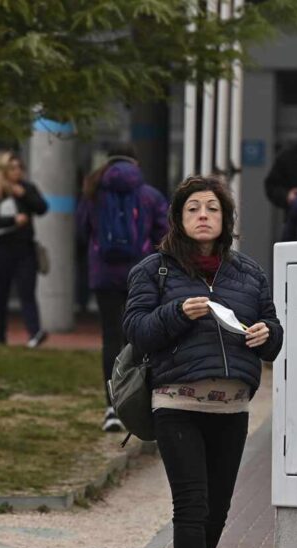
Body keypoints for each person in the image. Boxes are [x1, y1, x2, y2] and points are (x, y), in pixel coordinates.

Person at [123, 176, 283, 548]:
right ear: (178, 218)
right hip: (175, 402)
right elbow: (136, 331)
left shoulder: (248, 273)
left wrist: (266, 335)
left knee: (217, 508)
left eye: (211, 208)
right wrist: (177, 313)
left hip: (230, 406)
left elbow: (272, 331)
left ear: (225, 219)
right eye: (193, 208)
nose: (203, 216)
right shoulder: (154, 270)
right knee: (191, 504)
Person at [77, 144, 169, 432]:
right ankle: (137, 402)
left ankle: (111, 408)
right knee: (139, 338)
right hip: (140, 276)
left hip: (104, 276)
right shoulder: (149, 195)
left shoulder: (93, 191)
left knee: (110, 338)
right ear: (135, 162)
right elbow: (164, 235)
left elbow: (81, 231)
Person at [0, 151, 49, 348]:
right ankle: (0, 336)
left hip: (24, 249)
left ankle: (35, 333)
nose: (18, 171)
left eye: (20, 167)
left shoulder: (26, 189)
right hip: (0, 249)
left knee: (27, 291)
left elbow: (42, 208)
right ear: (3, 170)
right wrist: (12, 220)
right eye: (13, 168)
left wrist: (25, 195)